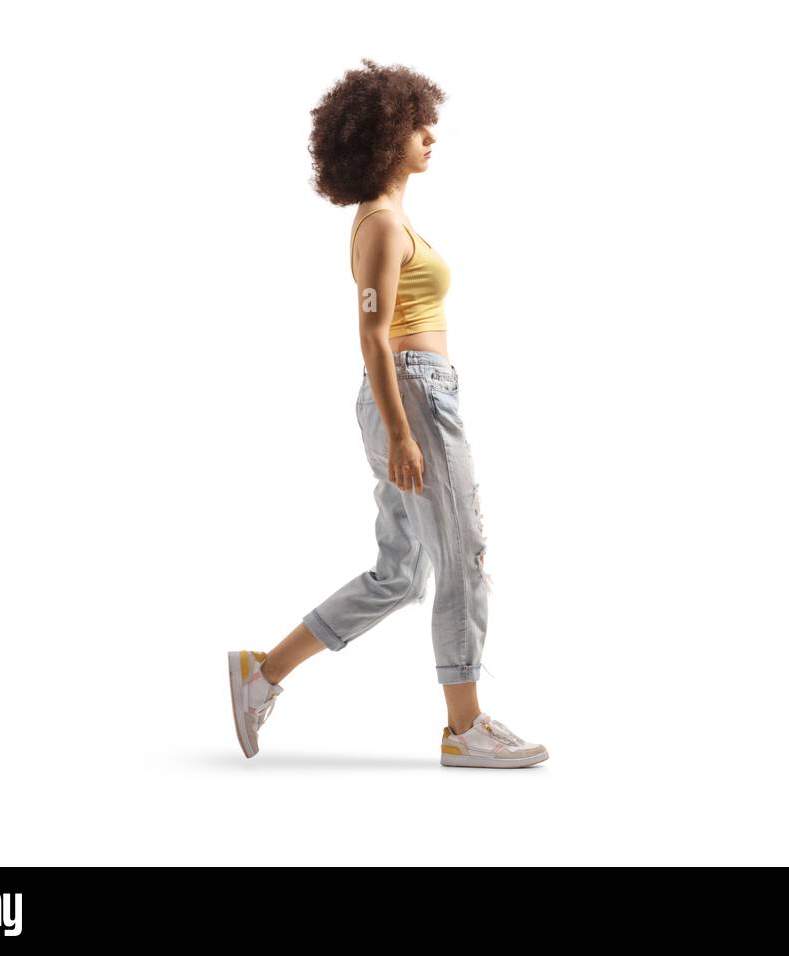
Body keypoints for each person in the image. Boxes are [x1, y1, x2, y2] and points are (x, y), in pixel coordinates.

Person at [227, 58, 548, 769]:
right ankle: (465, 730)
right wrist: (403, 430)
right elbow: (372, 333)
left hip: (412, 391)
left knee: (401, 573)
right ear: (381, 137)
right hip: (411, 393)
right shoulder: (379, 223)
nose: (429, 134)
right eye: (413, 125)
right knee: (462, 557)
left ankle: (261, 672)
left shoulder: (393, 218)